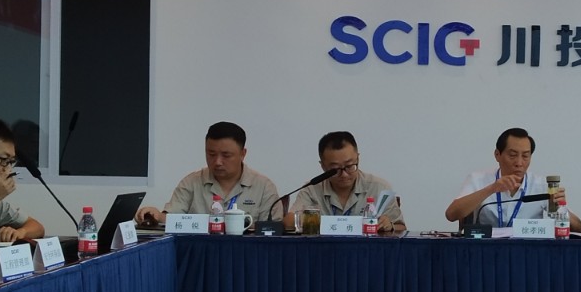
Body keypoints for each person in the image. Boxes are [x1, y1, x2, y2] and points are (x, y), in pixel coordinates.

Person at [136, 121, 279, 229]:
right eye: (211, 154)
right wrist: (156, 215)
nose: (217, 162)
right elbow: (173, 218)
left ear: (243, 154)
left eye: (226, 155)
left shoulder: (264, 187)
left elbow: (273, 230)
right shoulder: (191, 182)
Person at [445, 127, 581, 232]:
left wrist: (560, 207)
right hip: (485, 251)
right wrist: (492, 188)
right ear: (497, 155)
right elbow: (451, 215)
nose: (519, 163)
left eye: (525, 156)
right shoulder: (477, 179)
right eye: (512, 155)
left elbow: (579, 229)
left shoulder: (542, 185)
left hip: (527, 253)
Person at [288, 131, 406, 235]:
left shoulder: (379, 188)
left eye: (349, 166)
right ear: (323, 166)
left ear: (358, 159)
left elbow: (401, 228)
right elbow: (288, 222)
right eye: (335, 169)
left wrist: (390, 226)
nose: (344, 175)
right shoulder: (312, 189)